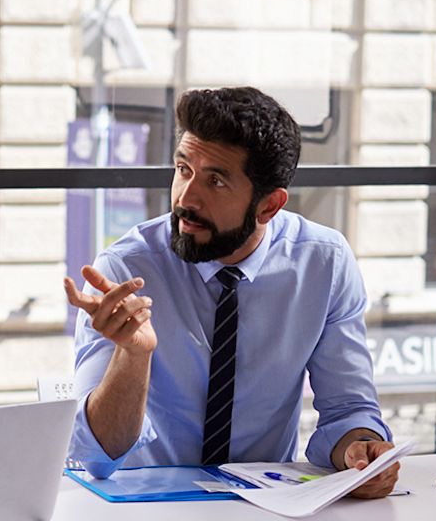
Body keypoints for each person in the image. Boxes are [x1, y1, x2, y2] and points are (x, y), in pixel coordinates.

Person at [63, 86, 397, 498]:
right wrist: (134, 355)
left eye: (215, 181)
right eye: (183, 169)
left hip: (266, 510)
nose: (186, 198)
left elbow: (348, 411)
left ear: (269, 206)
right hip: (142, 512)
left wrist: (360, 453)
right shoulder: (126, 269)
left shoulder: (323, 264)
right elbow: (96, 455)